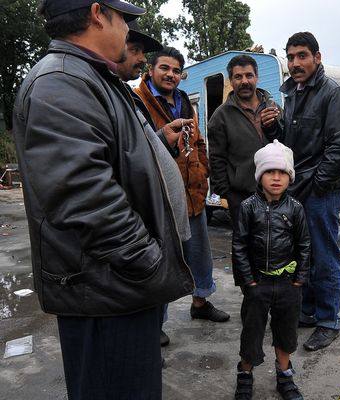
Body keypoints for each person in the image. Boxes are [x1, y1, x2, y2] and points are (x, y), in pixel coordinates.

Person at [13, 1, 195, 399]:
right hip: (108, 289)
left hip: (119, 285)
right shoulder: (60, 82)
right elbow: (81, 195)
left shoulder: (90, 76)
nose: (129, 32)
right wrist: (147, 260)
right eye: (124, 19)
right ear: (97, 13)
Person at [263, 32, 340, 351]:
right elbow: (290, 142)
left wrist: (317, 186)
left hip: (321, 190)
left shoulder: (334, 94)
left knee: (324, 255)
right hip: (300, 187)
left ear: (317, 57)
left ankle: (329, 320)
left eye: (302, 56)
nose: (295, 63)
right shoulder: (294, 94)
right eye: (290, 57)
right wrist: (271, 128)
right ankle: (309, 311)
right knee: (307, 255)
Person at [135, 46, 230, 324]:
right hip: (159, 195)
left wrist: (203, 171)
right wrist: (161, 136)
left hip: (193, 192)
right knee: (161, 261)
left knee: (200, 254)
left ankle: (200, 303)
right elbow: (134, 146)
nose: (171, 75)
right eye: (164, 68)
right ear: (150, 70)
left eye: (176, 70)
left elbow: (197, 141)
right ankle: (157, 322)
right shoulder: (137, 100)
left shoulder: (184, 100)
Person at [116, 20, 194, 347]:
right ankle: (150, 333)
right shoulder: (128, 95)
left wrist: (164, 136)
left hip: (184, 203)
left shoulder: (120, 93)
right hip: (140, 227)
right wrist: (139, 245)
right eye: (133, 49)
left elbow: (141, 149)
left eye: (177, 70)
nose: (140, 59)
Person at [232, 140, 310, 400]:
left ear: (290, 177)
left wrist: (299, 280)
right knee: (251, 332)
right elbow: (239, 245)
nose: (276, 178)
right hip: (258, 284)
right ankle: (245, 373)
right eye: (269, 171)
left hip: (288, 284)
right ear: (259, 175)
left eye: (282, 172)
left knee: (286, 331)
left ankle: (285, 376)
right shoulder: (247, 207)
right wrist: (248, 283)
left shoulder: (296, 209)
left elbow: (305, 245)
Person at [207, 54, 282, 229]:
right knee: (247, 249)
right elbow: (216, 159)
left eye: (249, 75)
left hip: (277, 193)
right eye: (238, 77)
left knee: (278, 245)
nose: (244, 81)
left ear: (257, 77)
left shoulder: (274, 108)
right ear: (231, 81)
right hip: (242, 197)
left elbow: (286, 145)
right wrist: (228, 196)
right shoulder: (220, 116)